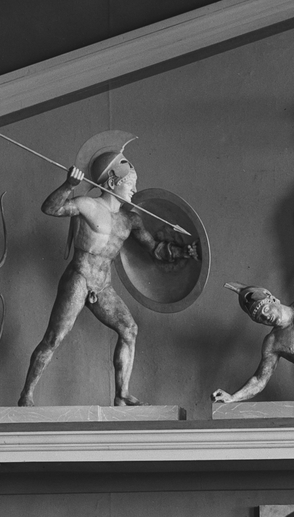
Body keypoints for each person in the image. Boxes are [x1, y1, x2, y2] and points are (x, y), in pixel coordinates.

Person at [18, 137, 190, 406]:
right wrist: (69, 185)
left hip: (103, 285)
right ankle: (26, 395)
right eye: (130, 184)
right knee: (54, 337)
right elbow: (50, 208)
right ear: (111, 182)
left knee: (129, 329)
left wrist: (184, 252)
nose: (135, 190)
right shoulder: (87, 204)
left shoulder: (130, 219)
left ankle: (121, 394)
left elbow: (155, 249)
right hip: (79, 278)